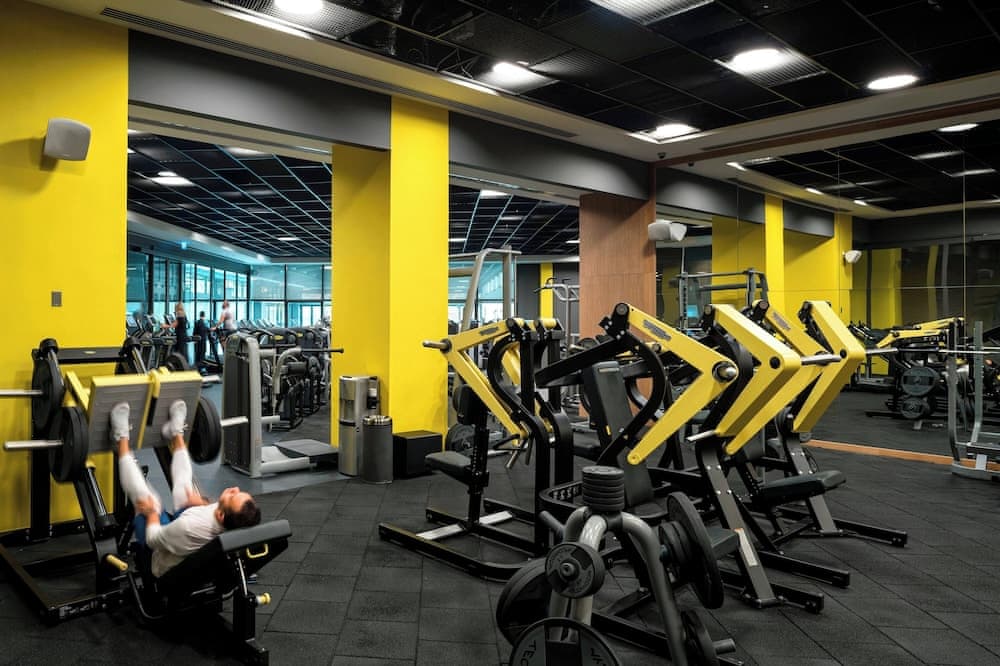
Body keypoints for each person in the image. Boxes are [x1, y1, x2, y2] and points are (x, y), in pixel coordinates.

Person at [110, 399, 260, 577]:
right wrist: (203, 503)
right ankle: (175, 433)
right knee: (187, 491)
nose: (234, 488)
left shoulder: (188, 527)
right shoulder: (230, 521)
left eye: (233, 495)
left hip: (159, 553)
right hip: (182, 538)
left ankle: (120, 439)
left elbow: (153, 540)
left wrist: (151, 514)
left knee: (148, 498)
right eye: (239, 492)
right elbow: (217, 510)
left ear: (221, 515)